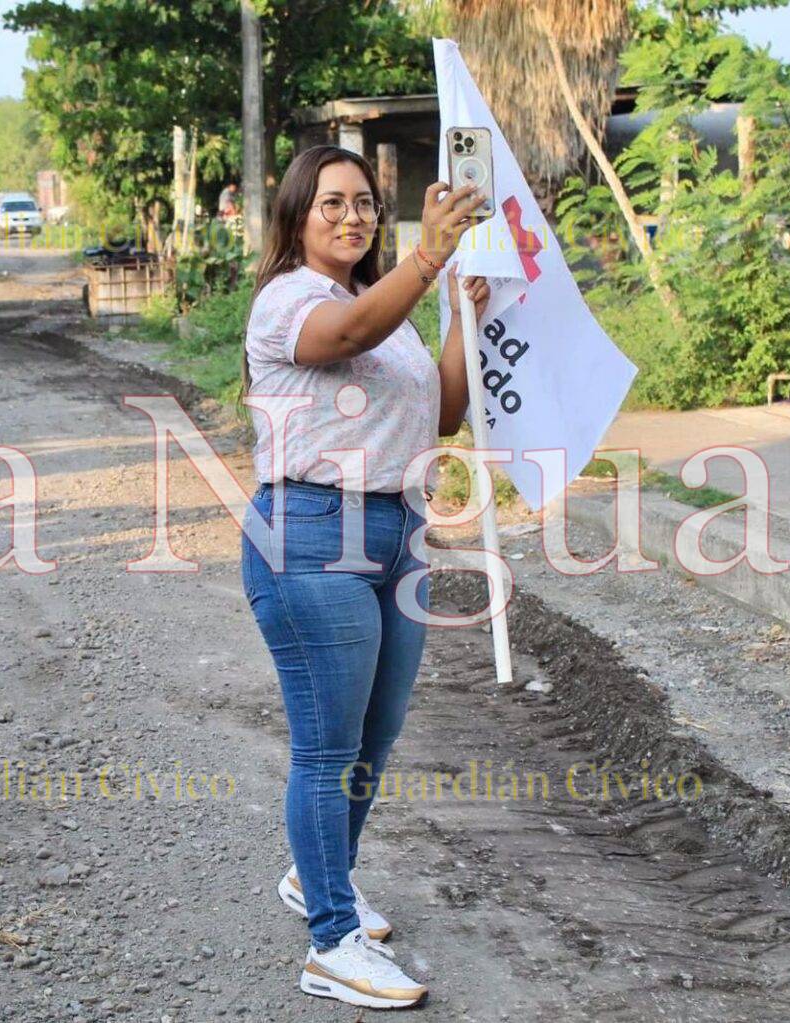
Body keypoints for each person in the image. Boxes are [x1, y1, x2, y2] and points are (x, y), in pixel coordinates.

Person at [239, 145, 489, 1009]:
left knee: (373, 740)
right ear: (297, 216)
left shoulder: (385, 306)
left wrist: (457, 311)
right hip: (310, 531)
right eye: (333, 203)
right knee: (327, 747)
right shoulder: (290, 301)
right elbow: (343, 339)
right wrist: (428, 260)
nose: (353, 217)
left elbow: (446, 413)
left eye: (366, 204)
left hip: (397, 531)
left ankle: (319, 880)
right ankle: (331, 944)